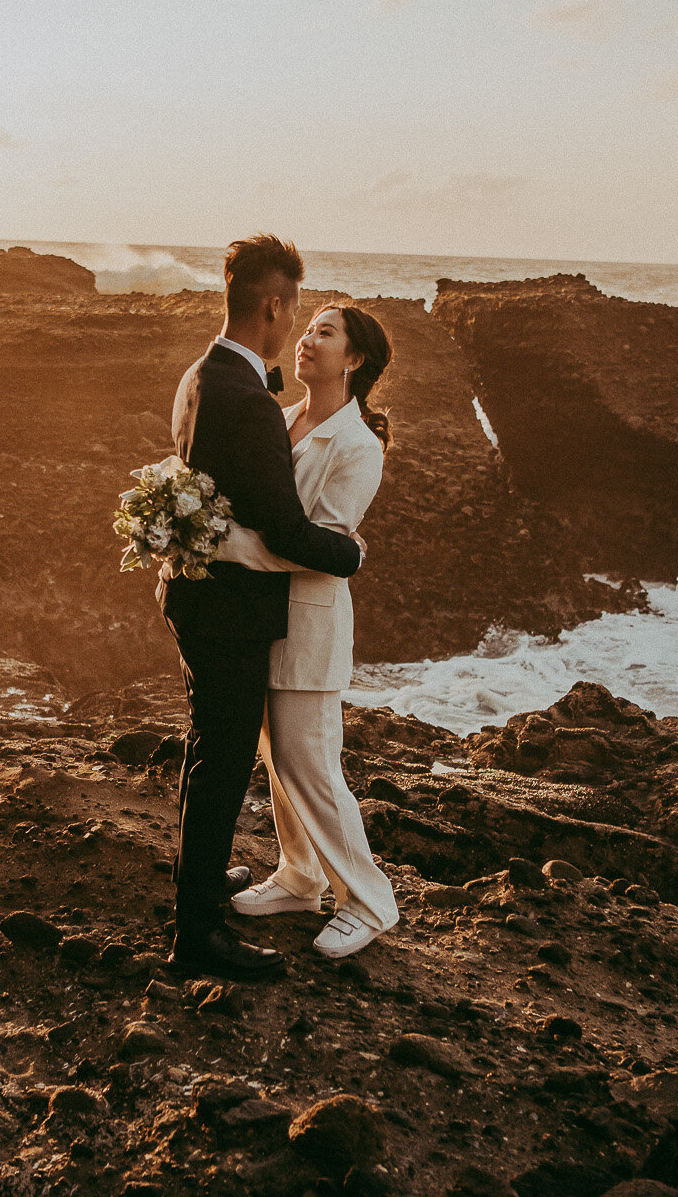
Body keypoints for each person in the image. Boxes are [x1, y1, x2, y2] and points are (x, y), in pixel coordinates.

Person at [158, 234, 365, 981]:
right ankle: (197, 935)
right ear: (274, 307)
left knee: (204, 749)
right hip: (230, 611)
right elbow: (284, 527)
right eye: (297, 309)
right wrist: (350, 553)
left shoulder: (199, 374)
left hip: (192, 597)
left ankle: (202, 882)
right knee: (221, 763)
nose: (299, 323)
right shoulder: (249, 402)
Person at [216, 305, 398, 958]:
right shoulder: (285, 417)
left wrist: (226, 544)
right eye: (308, 327)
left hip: (309, 622)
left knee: (310, 764)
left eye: (326, 332)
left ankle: (371, 899)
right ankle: (301, 876)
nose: (306, 339)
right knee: (277, 755)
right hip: (262, 616)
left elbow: (316, 546)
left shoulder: (358, 445)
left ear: (354, 360)